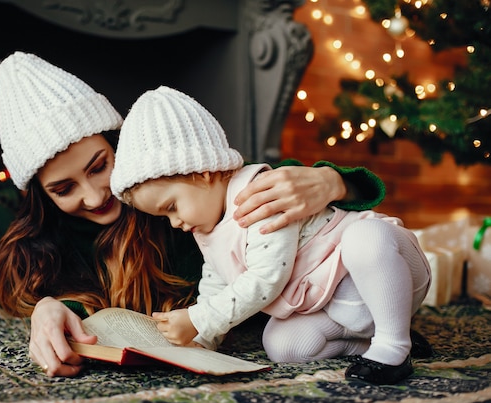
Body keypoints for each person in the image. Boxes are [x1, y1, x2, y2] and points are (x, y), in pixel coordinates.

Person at [0, 52, 387, 378]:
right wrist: (47, 307)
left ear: (120, 148)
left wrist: (335, 181)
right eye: (64, 189)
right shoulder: (46, 242)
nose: (95, 197)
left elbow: (255, 188)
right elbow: (88, 302)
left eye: (99, 167)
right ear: (41, 196)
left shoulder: (174, 196)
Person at [110, 86, 432, 385]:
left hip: (384, 273)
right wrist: (202, 338)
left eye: (172, 207)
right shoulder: (208, 228)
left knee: (365, 238)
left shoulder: (260, 195)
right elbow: (217, 285)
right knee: (281, 345)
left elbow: (267, 278)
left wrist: (199, 319)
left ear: (203, 173)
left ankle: (393, 344)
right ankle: (372, 341)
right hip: (334, 307)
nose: (175, 222)